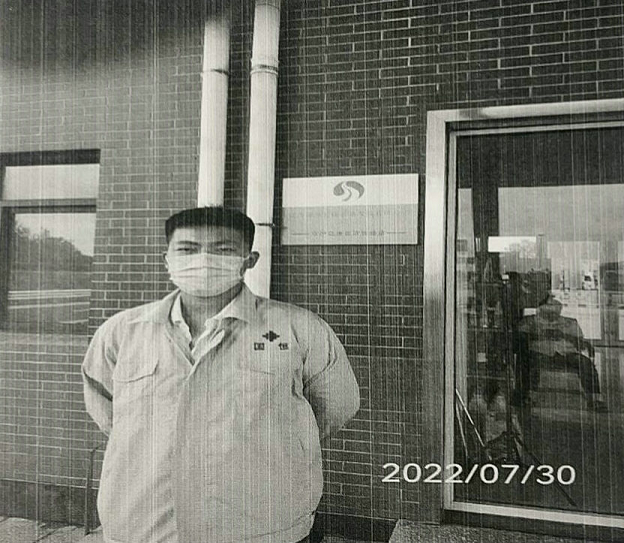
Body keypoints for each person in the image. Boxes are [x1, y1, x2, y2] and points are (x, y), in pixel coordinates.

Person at [82, 207, 360, 543]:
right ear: (167, 259)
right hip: (144, 524)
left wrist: (276, 443)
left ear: (249, 260)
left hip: (261, 526)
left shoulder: (299, 328)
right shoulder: (122, 331)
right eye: (188, 249)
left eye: (223, 249)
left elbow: (335, 406)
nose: (204, 259)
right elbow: (108, 411)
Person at [513, 294, 606, 412]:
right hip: (539, 351)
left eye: (554, 311)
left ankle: (595, 399)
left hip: (566, 352)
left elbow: (580, 343)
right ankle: (530, 397)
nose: (551, 315)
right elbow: (520, 337)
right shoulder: (530, 321)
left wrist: (563, 335)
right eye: (548, 311)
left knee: (585, 363)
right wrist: (539, 335)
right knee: (531, 363)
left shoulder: (569, 322)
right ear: (540, 309)